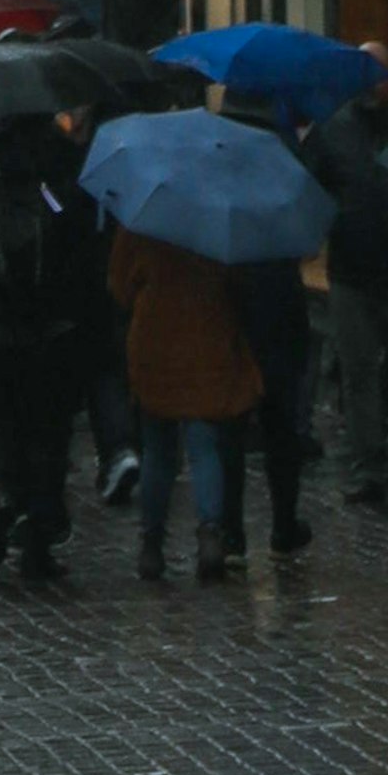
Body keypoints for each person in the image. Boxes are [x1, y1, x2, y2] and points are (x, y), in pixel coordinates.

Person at [0, 103, 111, 579]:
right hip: (52, 325)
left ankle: (1, 498)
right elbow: (79, 233)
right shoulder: (62, 160)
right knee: (48, 434)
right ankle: (39, 537)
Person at [110, 216, 262, 582]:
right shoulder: (220, 219)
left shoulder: (141, 220)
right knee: (205, 446)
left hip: (155, 341)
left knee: (158, 451)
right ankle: (210, 534)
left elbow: (119, 286)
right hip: (207, 337)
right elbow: (241, 283)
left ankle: (151, 545)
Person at [306, 66, 388, 504]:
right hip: (352, 271)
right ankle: (370, 462)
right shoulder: (333, 130)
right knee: (359, 371)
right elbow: (310, 185)